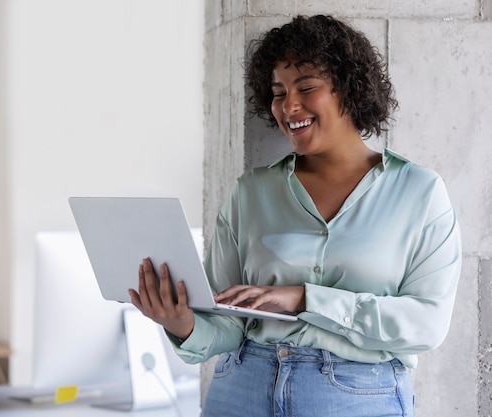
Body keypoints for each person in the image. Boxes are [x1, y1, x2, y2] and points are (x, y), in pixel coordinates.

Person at [129, 14, 461, 417]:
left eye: (306, 87)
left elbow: (426, 323)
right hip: (241, 389)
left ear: (349, 90)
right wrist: (180, 322)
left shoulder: (419, 193)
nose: (289, 106)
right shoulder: (250, 193)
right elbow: (227, 323)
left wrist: (304, 298)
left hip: (356, 396)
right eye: (278, 91)